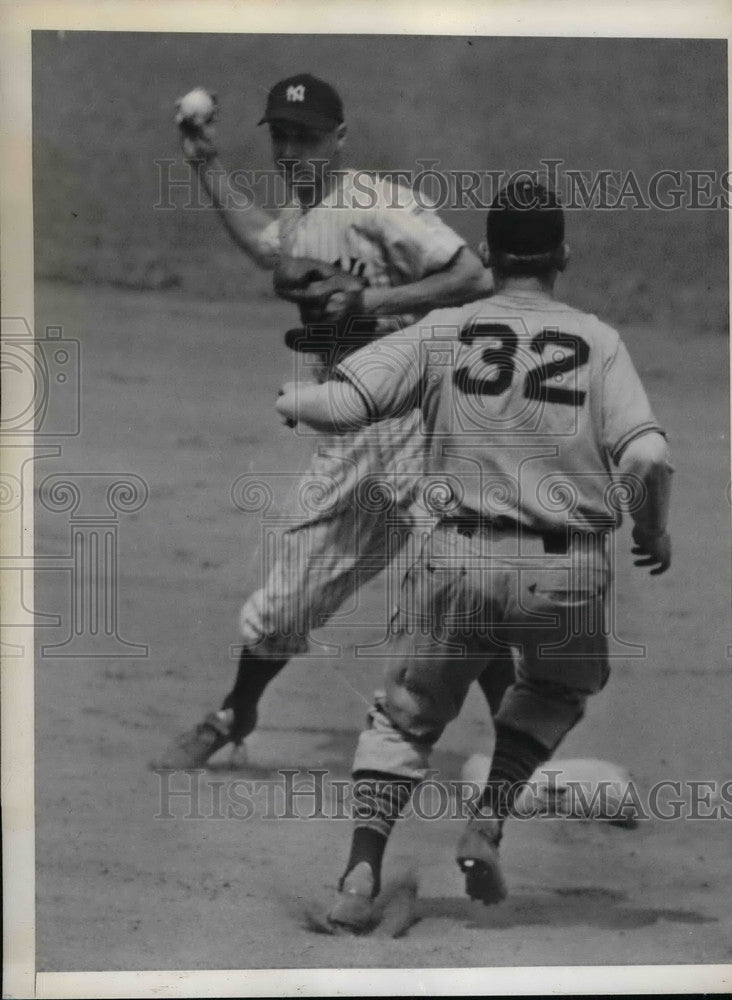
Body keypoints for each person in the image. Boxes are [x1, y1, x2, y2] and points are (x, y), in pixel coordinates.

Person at [277, 178, 673, 932]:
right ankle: (488, 820)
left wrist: (292, 401)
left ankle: (359, 873)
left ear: (487, 254)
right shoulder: (599, 340)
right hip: (568, 576)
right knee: (555, 690)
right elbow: (647, 457)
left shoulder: (445, 329)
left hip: (457, 563)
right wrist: (652, 532)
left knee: (405, 722)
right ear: (564, 254)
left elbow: (344, 404)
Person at [152, 73, 515, 770]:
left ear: (339, 139)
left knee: (459, 583)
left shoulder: (381, 206)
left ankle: (523, 752)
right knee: (288, 603)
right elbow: (266, 245)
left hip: (424, 420)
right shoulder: (300, 217)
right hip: (352, 435)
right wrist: (205, 162)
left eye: (307, 137)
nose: (292, 151)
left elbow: (472, 276)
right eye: (283, 137)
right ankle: (236, 713)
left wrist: (374, 298)